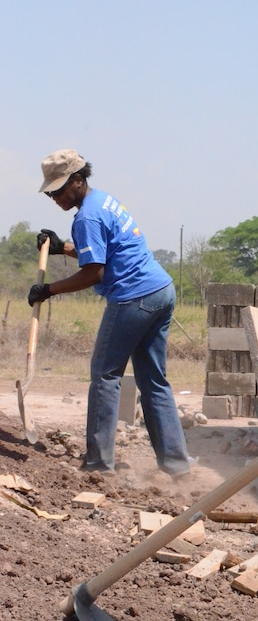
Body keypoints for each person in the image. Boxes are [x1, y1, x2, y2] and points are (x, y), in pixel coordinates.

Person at [28, 149, 191, 479]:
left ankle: (99, 465)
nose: (55, 197)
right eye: (50, 192)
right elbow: (102, 252)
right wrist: (62, 248)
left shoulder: (87, 217)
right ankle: (177, 466)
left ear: (78, 180)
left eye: (59, 190)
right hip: (160, 290)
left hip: (134, 298)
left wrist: (49, 290)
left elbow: (94, 273)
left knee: (104, 375)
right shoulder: (103, 201)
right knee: (154, 381)